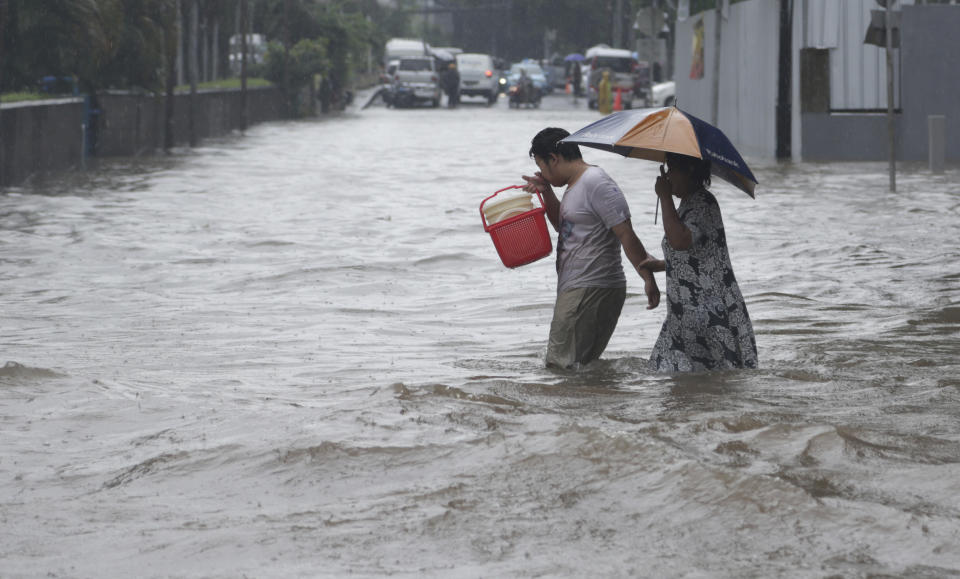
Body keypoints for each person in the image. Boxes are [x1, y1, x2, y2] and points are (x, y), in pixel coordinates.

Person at [522, 128, 661, 369]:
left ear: (554, 158)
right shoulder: (576, 184)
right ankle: (594, 405)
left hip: (590, 287)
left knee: (559, 368)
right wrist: (547, 193)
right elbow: (563, 226)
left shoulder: (595, 182)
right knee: (580, 368)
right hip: (583, 287)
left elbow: (625, 232)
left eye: (542, 166)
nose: (542, 173)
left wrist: (646, 277)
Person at [646, 152, 758, 372]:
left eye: (672, 169)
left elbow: (680, 240)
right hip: (686, 313)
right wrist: (661, 265)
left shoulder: (703, 202)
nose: (668, 176)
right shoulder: (688, 203)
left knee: (714, 384)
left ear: (689, 170)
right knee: (679, 384)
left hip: (708, 313)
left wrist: (665, 197)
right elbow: (699, 258)